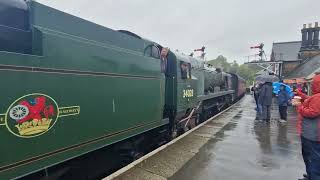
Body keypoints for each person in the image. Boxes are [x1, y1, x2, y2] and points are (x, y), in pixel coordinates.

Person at [294, 74, 320, 180]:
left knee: (313, 159)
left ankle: (313, 177)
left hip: (312, 134)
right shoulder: (316, 97)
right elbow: (312, 100)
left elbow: (313, 112)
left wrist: (299, 106)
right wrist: (301, 94)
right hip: (311, 133)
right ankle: (311, 175)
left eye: (313, 83)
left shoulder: (318, 97)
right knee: (311, 158)